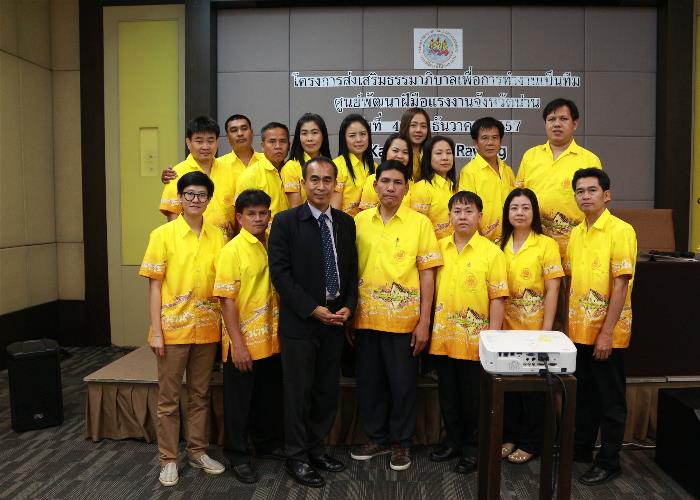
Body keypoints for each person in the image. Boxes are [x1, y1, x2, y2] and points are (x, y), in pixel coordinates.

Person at [268, 156, 359, 488]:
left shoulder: (346, 223)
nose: (321, 186)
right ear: (305, 183)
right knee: (298, 392)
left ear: (335, 184)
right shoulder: (285, 222)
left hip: (334, 321)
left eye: (327, 180)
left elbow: (351, 271)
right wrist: (312, 309)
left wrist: (348, 306)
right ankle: (296, 456)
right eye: (315, 180)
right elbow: (280, 275)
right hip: (301, 322)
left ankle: (316, 449)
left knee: (325, 390)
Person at [350, 160, 443, 471]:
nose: (390, 188)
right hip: (365, 319)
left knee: (403, 385)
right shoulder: (359, 221)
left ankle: (402, 442)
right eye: (385, 181)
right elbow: (350, 269)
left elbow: (427, 275)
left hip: (404, 322)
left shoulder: (420, 224)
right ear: (375, 185)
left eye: (397, 182)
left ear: (406, 188)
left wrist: (424, 321)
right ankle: (376, 438)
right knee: (370, 383)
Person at [140, 171, 226, 487]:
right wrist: (156, 331)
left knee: (200, 394)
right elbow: (154, 287)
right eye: (189, 194)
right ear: (179, 197)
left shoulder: (218, 236)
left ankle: (197, 452)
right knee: (169, 398)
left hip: (207, 329)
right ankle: (168, 459)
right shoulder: (162, 235)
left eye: (201, 195)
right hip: (172, 329)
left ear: (209, 199)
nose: (195, 200)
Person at [565, 168, 636, 486]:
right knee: (585, 395)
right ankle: (581, 450)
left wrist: (606, 333)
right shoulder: (576, 233)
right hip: (579, 331)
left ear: (606, 195)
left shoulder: (621, 230)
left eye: (591, 190)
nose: (585, 196)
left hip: (608, 333)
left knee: (610, 400)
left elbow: (621, 285)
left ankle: (609, 462)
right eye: (580, 191)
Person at [428, 190, 508, 475]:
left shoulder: (492, 253)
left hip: (476, 342)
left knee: (473, 399)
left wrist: (492, 339)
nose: (463, 216)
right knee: (448, 396)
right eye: (457, 211)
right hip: (443, 338)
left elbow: (498, 298)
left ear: (480, 216)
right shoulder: (438, 248)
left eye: (469, 211)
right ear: (449, 216)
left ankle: (473, 449)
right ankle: (452, 442)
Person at [213, 189, 284, 484]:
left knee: (267, 398)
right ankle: (238, 455)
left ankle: (265, 445)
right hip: (244, 343)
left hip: (272, 339)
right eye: (251, 214)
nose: (258, 218)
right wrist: (238, 346)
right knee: (239, 403)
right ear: (239, 218)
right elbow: (226, 301)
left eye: (262, 213)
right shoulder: (231, 251)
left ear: (270, 215)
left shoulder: (272, 244)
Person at [499, 188, 564, 464]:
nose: (519, 213)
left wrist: (545, 331)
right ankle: (510, 436)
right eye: (514, 208)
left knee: (533, 390)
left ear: (534, 212)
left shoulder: (546, 245)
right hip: (505, 329)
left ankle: (532, 442)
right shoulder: (499, 244)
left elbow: (553, 289)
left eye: (525, 208)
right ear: (507, 213)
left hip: (535, 330)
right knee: (509, 388)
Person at [516, 98, 602, 257]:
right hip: (535, 246)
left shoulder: (590, 160)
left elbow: (596, 205)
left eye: (563, 119)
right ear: (545, 124)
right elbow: (519, 197)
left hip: (575, 246)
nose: (557, 124)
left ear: (574, 124)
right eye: (551, 119)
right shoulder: (530, 156)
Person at [159, 116, 237, 240]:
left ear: (217, 142)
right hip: (194, 244)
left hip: (227, 245)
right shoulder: (177, 173)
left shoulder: (230, 171)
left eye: (210, 141)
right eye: (199, 141)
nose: (205, 147)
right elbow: (173, 214)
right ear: (188, 143)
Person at [161, 113, 266, 188]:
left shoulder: (268, 160)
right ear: (227, 137)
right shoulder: (219, 164)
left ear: (252, 133)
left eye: (244, 129)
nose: (240, 134)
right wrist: (170, 176)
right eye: (234, 130)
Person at [458, 117, 516, 243]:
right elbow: (467, 211)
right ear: (476, 142)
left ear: (500, 141)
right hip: (483, 242)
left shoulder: (508, 171)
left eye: (495, 138)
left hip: (510, 240)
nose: (490, 143)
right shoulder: (469, 172)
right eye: (484, 138)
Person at [235, 122, 290, 219]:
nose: (278, 146)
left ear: (289, 145)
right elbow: (243, 216)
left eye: (282, 141)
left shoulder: (294, 171)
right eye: (272, 141)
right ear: (262, 146)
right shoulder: (250, 175)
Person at [409, 135, 457, 239]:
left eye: (449, 153)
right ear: (428, 157)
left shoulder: (457, 187)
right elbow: (418, 229)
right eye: (438, 153)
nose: (445, 157)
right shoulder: (421, 188)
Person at [281, 113, 332, 208]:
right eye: (304, 133)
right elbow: (296, 208)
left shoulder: (331, 165)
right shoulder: (291, 167)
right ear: (298, 137)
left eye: (315, 133)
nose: (309, 139)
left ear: (323, 135)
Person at [332, 114, 376, 216]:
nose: (359, 139)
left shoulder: (375, 167)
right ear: (344, 139)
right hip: (345, 223)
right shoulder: (337, 166)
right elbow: (335, 211)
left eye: (363, 134)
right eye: (352, 135)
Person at [359, 133, 413, 210]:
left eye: (405, 152)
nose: (400, 156)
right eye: (395, 151)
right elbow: (366, 213)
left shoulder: (412, 182)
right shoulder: (372, 180)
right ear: (385, 152)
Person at [399, 107, 431, 181]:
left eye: (423, 126)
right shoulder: (398, 154)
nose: (418, 130)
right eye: (413, 125)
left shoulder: (433, 153)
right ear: (405, 126)